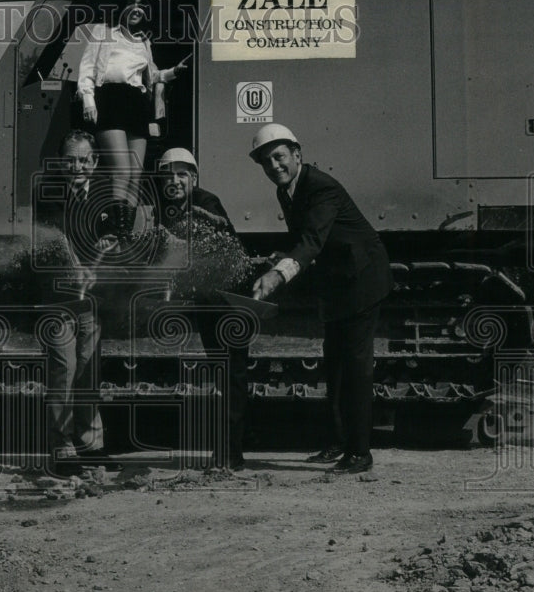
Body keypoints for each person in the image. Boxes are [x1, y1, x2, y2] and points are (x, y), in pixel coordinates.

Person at [249, 124, 392, 474]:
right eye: (267, 162)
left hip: (362, 281)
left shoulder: (321, 186)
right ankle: (338, 443)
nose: (274, 167)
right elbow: (305, 241)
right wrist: (278, 259)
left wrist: (278, 274)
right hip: (337, 284)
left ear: (297, 154)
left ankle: (360, 454)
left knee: (355, 368)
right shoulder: (287, 191)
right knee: (336, 366)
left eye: (279, 157)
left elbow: (312, 240)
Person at [154, 147, 250, 471]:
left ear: (193, 177)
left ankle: (231, 455)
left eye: (181, 174)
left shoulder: (206, 203)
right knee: (223, 375)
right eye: (168, 175)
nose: (175, 181)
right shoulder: (168, 209)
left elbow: (200, 242)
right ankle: (225, 452)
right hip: (209, 304)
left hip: (230, 304)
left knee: (231, 376)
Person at [34, 130, 121, 476]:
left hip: (91, 303)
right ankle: (62, 447)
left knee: (87, 374)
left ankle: (91, 446)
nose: (77, 166)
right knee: (63, 372)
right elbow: (56, 238)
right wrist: (77, 269)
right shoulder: (46, 193)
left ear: (95, 161)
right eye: (70, 160)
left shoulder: (105, 195)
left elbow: (114, 235)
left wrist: (110, 244)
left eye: (84, 159)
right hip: (56, 302)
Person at [77, 0, 189, 242]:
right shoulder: (104, 32)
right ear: (123, 5)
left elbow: (150, 76)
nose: (137, 7)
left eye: (142, 4)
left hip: (136, 104)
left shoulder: (143, 42)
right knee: (122, 170)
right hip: (112, 100)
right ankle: (117, 230)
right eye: (132, 2)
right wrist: (89, 102)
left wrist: (173, 72)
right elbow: (87, 69)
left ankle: (125, 233)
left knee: (135, 173)